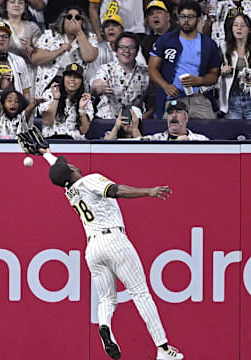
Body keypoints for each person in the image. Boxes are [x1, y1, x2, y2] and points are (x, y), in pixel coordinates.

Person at [36, 146, 184, 360]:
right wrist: (148, 191)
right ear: (70, 172)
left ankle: (105, 325)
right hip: (114, 240)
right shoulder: (89, 180)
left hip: (92, 248)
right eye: (67, 165)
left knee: (107, 298)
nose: (71, 163)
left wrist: (44, 153)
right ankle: (163, 349)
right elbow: (117, 191)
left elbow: (58, 172)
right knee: (140, 293)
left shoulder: (69, 191)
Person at [148, 0, 220, 119]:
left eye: (190, 17)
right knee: (171, 133)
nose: (186, 20)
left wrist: (199, 80)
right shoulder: (165, 40)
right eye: (183, 16)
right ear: (177, 17)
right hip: (173, 99)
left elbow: (214, 75)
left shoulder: (209, 44)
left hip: (199, 98)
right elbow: (152, 69)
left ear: (198, 19)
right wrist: (166, 86)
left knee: (211, 132)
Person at [31, 6, 98, 97]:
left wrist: (78, 33)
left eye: (77, 18)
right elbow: (35, 58)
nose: (73, 20)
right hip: (52, 82)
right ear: (63, 19)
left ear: (82, 21)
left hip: (76, 84)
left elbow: (90, 57)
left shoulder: (90, 37)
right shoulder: (49, 35)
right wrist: (59, 50)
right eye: (69, 17)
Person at [0, 0, 41, 96]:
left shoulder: (33, 28)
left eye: (20, 2)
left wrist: (29, 50)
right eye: (12, 2)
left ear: (25, 6)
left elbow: (40, 58)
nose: (16, 5)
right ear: (5, 6)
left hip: (25, 72)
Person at [91, 32, 152, 119]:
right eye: (122, 47)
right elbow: (95, 87)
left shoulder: (146, 72)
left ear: (137, 51)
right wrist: (100, 88)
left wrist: (141, 120)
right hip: (107, 120)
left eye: (131, 47)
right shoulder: (106, 69)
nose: (126, 51)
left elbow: (152, 104)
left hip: (134, 122)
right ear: (116, 51)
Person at [38, 63, 93, 139]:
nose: (72, 79)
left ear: (81, 81)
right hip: (52, 140)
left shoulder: (85, 99)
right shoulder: (50, 93)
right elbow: (47, 121)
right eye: (69, 76)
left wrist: (81, 109)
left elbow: (84, 130)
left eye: (76, 77)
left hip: (75, 142)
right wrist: (56, 98)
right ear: (63, 78)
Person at [219, 13, 251, 120]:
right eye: (236, 25)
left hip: (249, 98)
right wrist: (222, 72)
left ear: (249, 29)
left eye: (243, 25)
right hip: (233, 99)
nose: (239, 28)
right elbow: (214, 73)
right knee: (235, 133)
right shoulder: (223, 48)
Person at [135, 100, 209, 140]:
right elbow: (135, 145)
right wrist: (134, 129)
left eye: (178, 112)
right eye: (170, 113)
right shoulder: (156, 139)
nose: (174, 115)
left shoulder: (200, 140)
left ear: (186, 118)